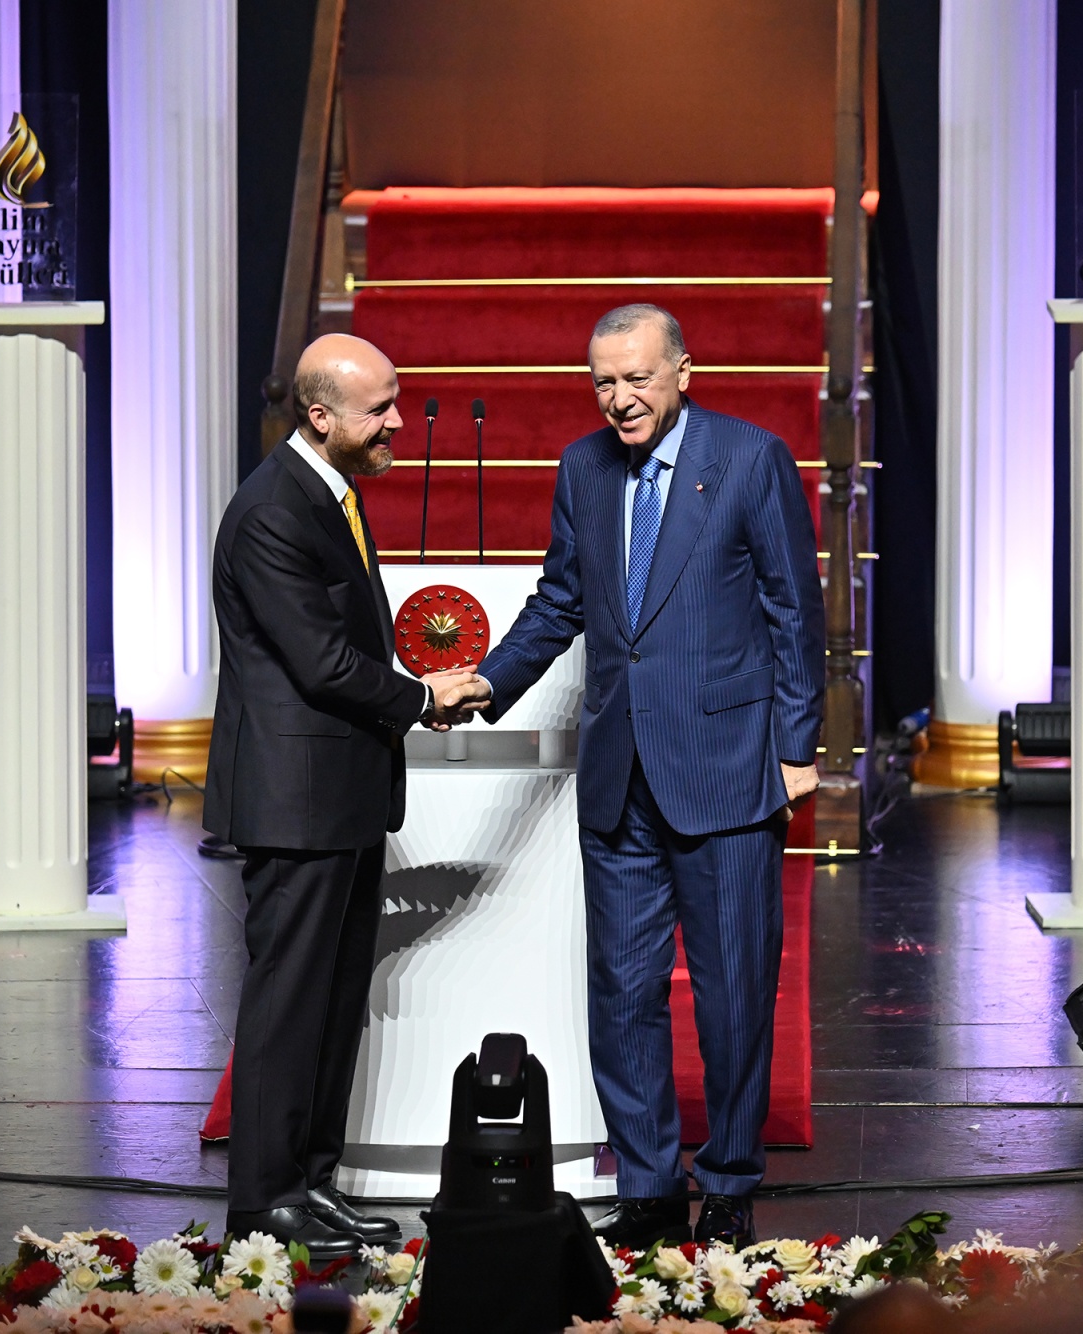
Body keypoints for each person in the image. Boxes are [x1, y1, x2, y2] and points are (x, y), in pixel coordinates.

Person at [472, 304, 824, 1250]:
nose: (620, 398)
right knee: (622, 994)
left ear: (682, 372)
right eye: (604, 382)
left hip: (728, 771)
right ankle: (649, 1187)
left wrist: (797, 749)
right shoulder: (583, 468)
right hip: (619, 775)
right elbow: (559, 600)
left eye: (637, 378)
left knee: (734, 992)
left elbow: (794, 609)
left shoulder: (750, 458)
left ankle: (732, 1180)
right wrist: (489, 681)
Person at [202, 333, 488, 1258]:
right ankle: (264, 1200)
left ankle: (310, 1184)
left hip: (341, 796)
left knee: (331, 1003)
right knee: (289, 1004)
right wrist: (423, 698)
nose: (398, 422)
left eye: (396, 401)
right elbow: (322, 663)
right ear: (320, 416)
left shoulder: (329, 491)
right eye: (380, 410)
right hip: (295, 802)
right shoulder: (271, 512)